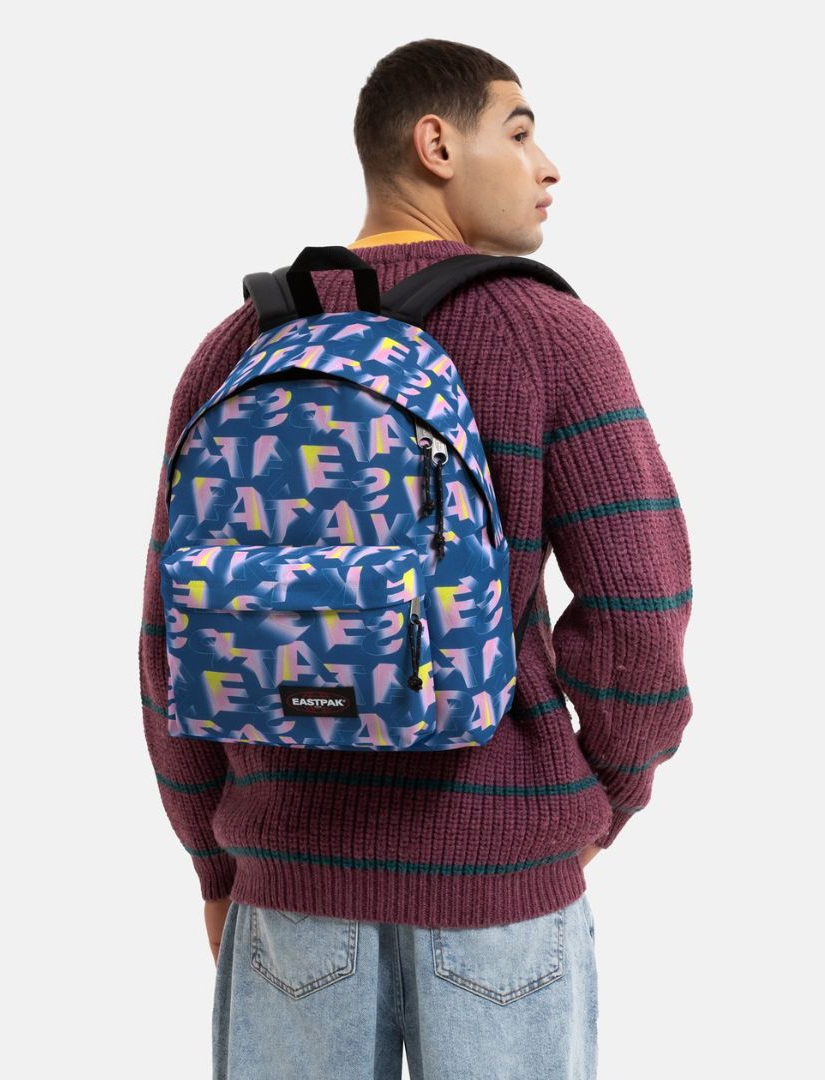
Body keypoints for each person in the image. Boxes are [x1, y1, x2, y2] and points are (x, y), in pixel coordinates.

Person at [138, 37, 694, 1080]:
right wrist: (598, 804)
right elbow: (640, 605)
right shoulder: (550, 333)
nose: (548, 166)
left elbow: (167, 643)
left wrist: (215, 858)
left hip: (286, 890)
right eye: (519, 133)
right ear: (436, 144)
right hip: (500, 889)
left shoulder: (238, 346)